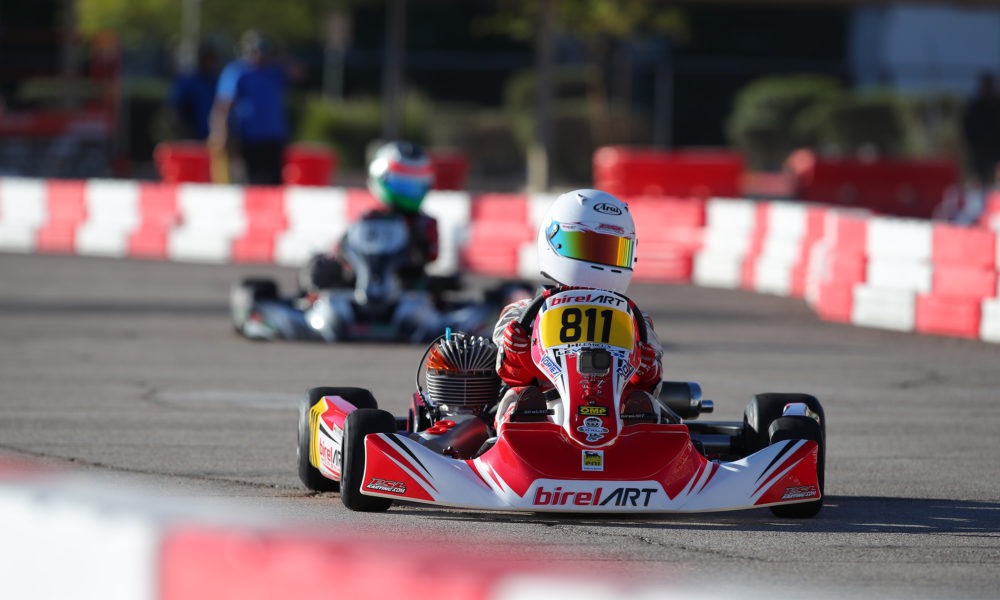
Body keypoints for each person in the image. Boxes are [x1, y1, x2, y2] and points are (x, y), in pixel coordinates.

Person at [491, 189, 664, 430]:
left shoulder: (635, 321)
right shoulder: (521, 314)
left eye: (613, 251)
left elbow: (651, 385)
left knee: (645, 403)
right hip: (544, 412)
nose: (602, 261)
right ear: (555, 241)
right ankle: (521, 435)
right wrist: (518, 353)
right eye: (590, 247)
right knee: (519, 397)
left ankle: (644, 442)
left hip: (614, 417)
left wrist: (646, 369)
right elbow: (508, 376)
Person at [300, 141, 439, 294]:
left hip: (407, 288)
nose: (409, 193)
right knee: (319, 272)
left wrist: (414, 243)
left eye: (415, 186)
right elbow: (343, 249)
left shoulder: (424, 224)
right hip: (363, 282)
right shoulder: (369, 218)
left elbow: (429, 256)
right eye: (403, 185)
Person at [208, 30, 297, 185]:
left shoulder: (274, 71)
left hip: (274, 135)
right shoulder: (237, 71)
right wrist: (220, 133)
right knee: (251, 180)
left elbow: (298, 72)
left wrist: (280, 55)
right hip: (248, 136)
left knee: (274, 181)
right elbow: (224, 104)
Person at [167, 44, 220, 141]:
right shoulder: (188, 81)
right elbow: (177, 106)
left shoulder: (216, 81)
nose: (211, 63)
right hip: (191, 131)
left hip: (212, 133)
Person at [962, 72, 1000, 187]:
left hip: (996, 152)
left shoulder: (997, 105)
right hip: (980, 153)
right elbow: (967, 129)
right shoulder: (975, 108)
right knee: (981, 183)